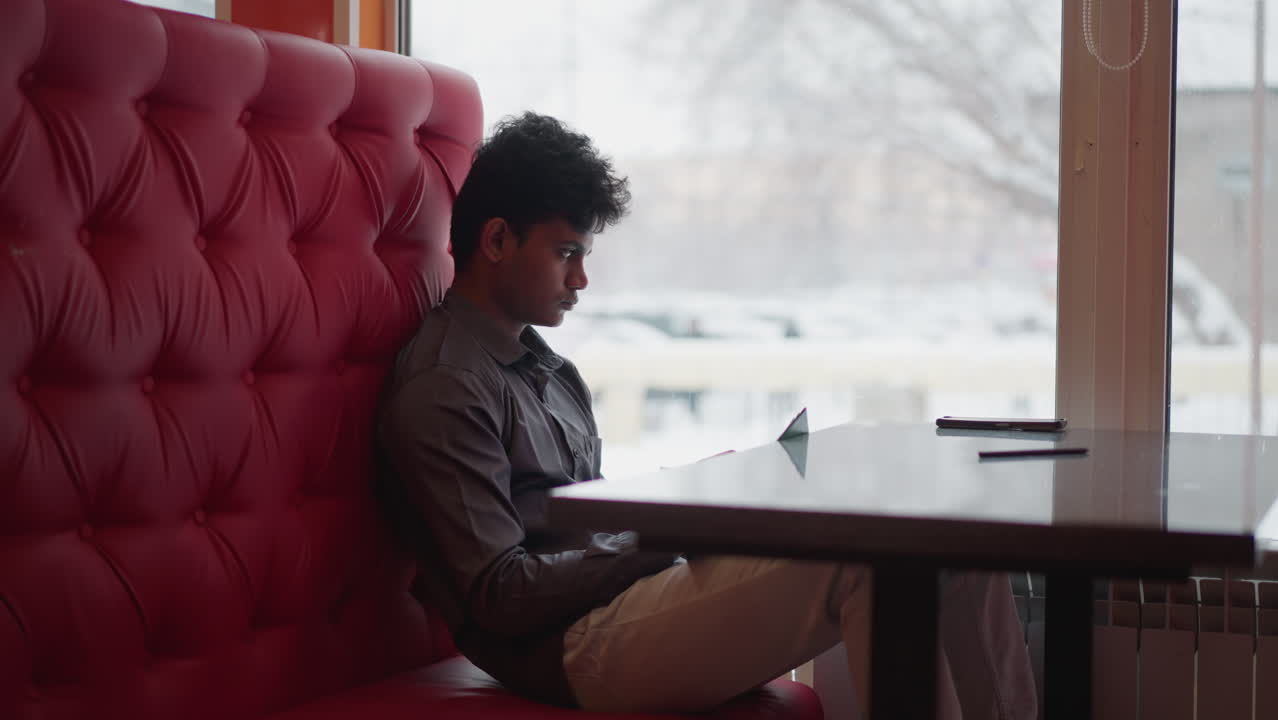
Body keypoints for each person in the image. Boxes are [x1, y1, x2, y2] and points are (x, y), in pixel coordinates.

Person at [376, 112, 1037, 719]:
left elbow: (581, 521)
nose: (580, 281)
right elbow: (500, 596)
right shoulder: (445, 387)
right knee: (864, 562)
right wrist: (663, 534)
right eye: (566, 253)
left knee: (954, 544)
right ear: (497, 240)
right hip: (569, 651)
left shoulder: (542, 367)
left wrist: (696, 499)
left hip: (616, 605)